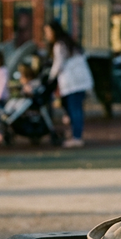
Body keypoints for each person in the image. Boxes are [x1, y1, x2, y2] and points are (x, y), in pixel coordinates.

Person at [44, 20, 93, 148]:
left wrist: (50, 78)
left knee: (74, 109)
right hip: (79, 81)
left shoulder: (60, 45)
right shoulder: (68, 43)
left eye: (48, 32)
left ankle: (77, 137)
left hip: (73, 82)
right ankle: (75, 134)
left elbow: (58, 64)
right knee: (74, 108)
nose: (47, 35)